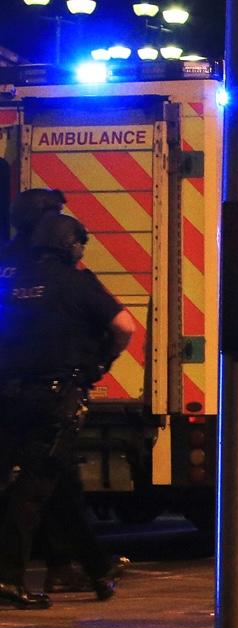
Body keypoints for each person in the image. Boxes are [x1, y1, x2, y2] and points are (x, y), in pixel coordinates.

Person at [0, 214, 137, 608]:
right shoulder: (76, 283)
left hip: (11, 396)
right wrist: (102, 361)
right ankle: (8, 578)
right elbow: (125, 326)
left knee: (57, 486)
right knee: (34, 488)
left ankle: (97, 568)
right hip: (55, 400)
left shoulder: (13, 281)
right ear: (69, 245)